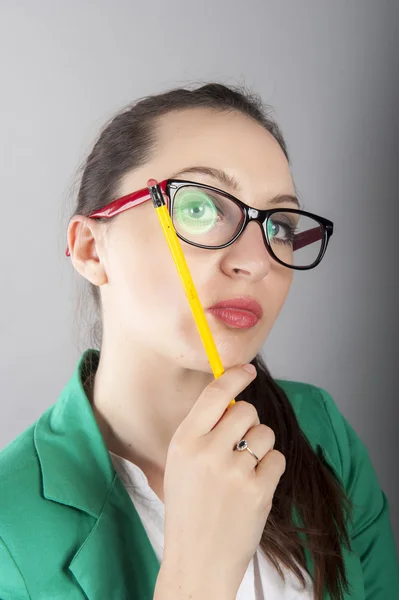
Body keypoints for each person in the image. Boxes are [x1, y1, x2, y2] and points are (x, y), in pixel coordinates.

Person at [0, 83, 398, 600]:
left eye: (279, 226)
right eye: (199, 209)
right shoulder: (10, 526)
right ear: (91, 249)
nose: (256, 261)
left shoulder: (323, 433)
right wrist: (198, 575)